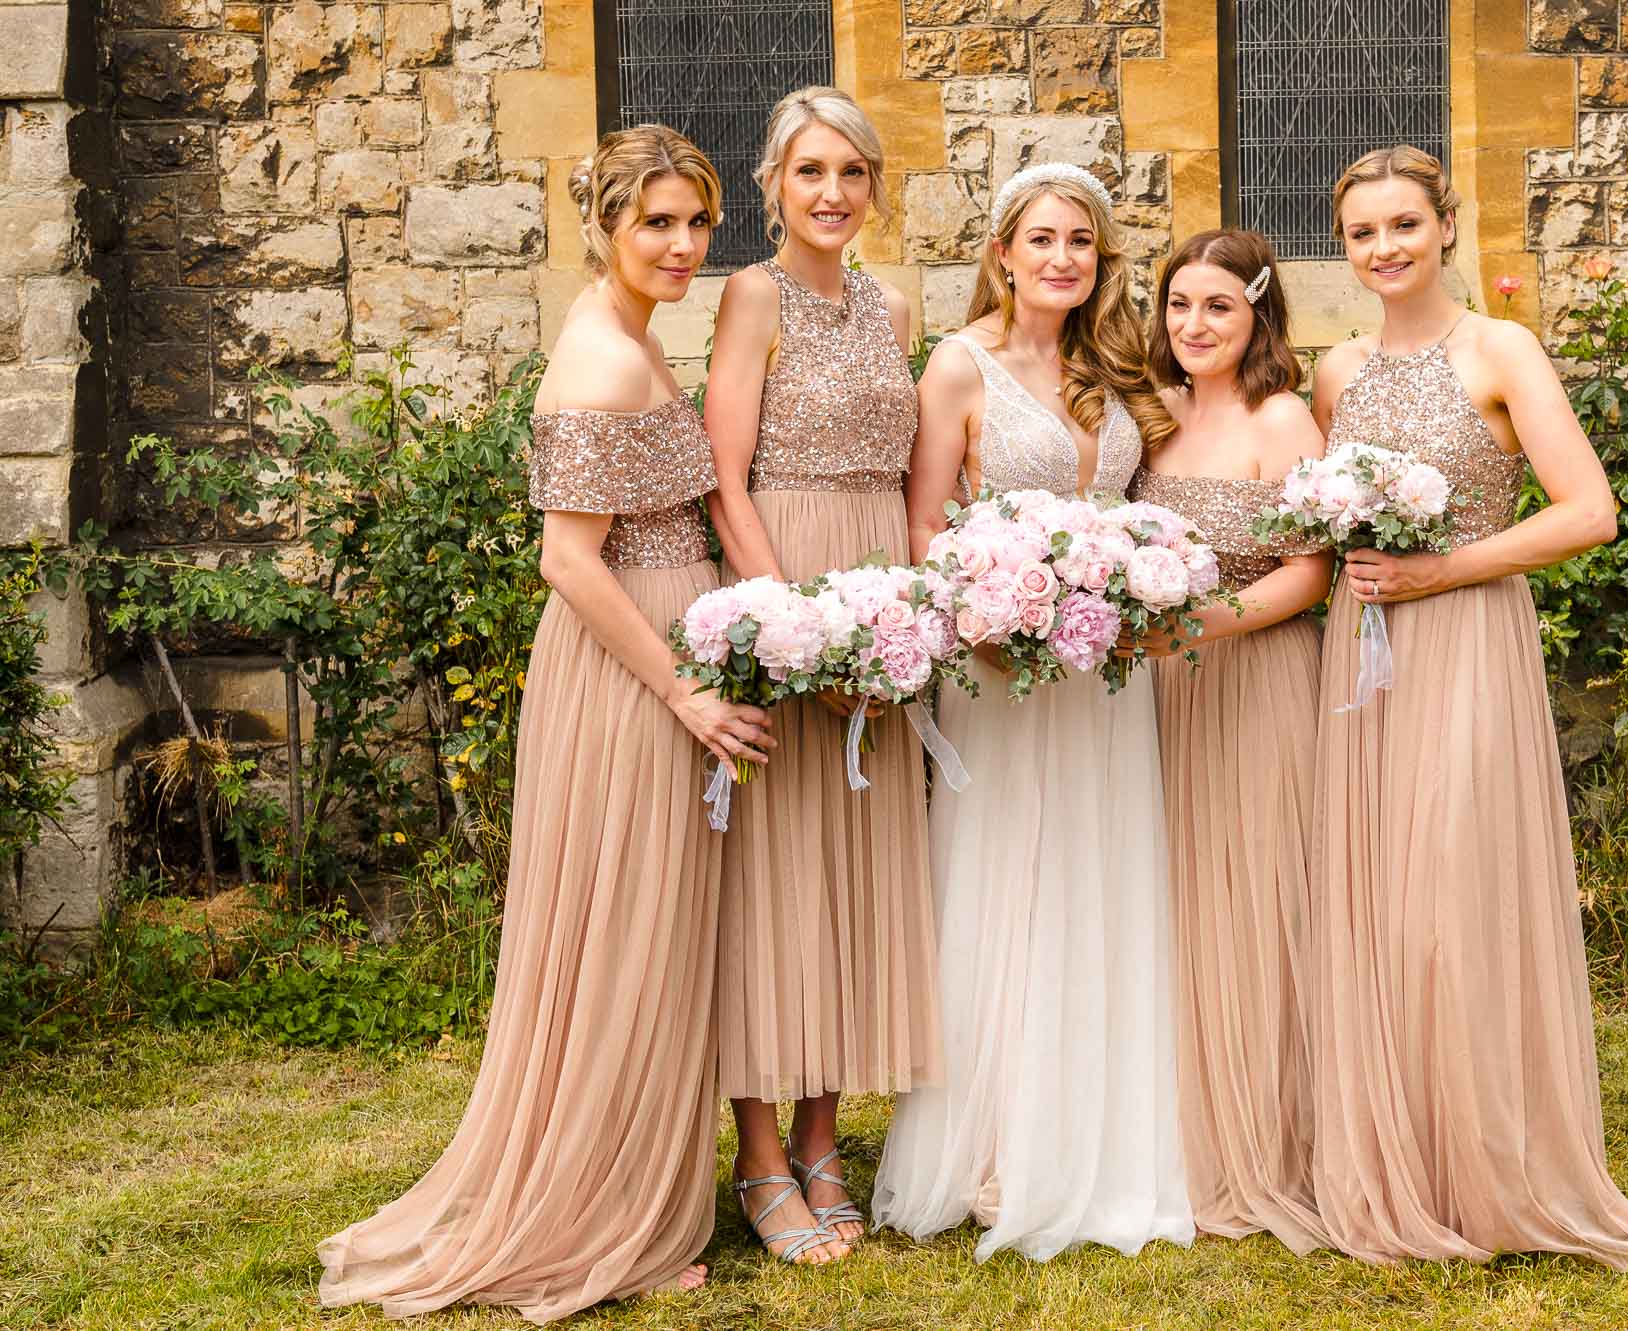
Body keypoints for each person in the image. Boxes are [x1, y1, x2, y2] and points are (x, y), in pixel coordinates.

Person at [317, 125, 775, 1321]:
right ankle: (594, 1210)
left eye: (696, 221)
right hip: (630, 682)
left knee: (651, 927)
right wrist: (681, 689)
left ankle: (629, 1179)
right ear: (606, 228)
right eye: (656, 224)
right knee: (627, 926)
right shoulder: (599, 360)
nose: (682, 245)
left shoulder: (632, 335)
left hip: (656, 660)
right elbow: (568, 560)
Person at [1303, 144, 1628, 1269]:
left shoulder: (1499, 347)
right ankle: (1396, 1154)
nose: (1382, 249)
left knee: (1452, 889)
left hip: (1466, 638)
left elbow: (1587, 512)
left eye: (1400, 226)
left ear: (1445, 228)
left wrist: (1443, 569)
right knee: (1377, 891)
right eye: (1360, 233)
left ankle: (1489, 1162)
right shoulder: (1334, 374)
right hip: (1362, 655)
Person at [873, 161, 1195, 1262]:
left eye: (1083, 244)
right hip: (1004, 670)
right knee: (1005, 878)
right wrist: (986, 611)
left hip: (1110, 674)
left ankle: (1102, 1139)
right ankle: (994, 1143)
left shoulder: (1118, 367)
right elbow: (922, 523)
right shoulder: (956, 368)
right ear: (1001, 251)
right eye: (1043, 240)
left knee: (1103, 880)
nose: (1063, 259)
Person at [702, 86, 939, 1263]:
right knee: (773, 874)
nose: (833, 193)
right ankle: (756, 1153)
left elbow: (908, 482)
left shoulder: (893, 305)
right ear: (772, 185)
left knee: (854, 872)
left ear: (873, 183)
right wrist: (798, 633)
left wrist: (898, 628)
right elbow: (724, 475)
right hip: (786, 594)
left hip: (878, 589)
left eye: (851, 171)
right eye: (810, 172)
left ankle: (826, 1136)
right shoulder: (751, 295)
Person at [1132, 228, 1332, 1253]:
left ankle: (1266, 1132)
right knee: (1170, 898)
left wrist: (1208, 620)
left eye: (1215, 305)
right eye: (1177, 305)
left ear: (1256, 312)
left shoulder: (1281, 415)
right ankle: (1169, 1127)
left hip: (1255, 678)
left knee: (1256, 896)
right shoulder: (1149, 418)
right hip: (1159, 692)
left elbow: (1310, 570)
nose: (1193, 325)